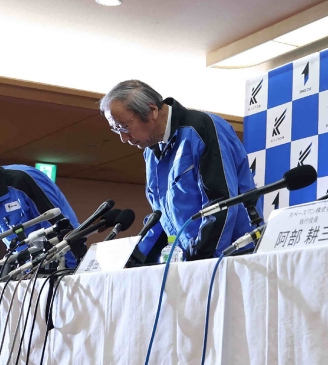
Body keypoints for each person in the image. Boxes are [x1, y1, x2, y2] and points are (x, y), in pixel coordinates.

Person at [100, 80, 257, 261]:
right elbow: (160, 218)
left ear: (152, 110)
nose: (123, 138)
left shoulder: (201, 128)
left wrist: (199, 258)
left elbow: (222, 204)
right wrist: (136, 258)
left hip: (230, 258)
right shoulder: (151, 152)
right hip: (188, 261)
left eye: (124, 127)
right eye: (115, 129)